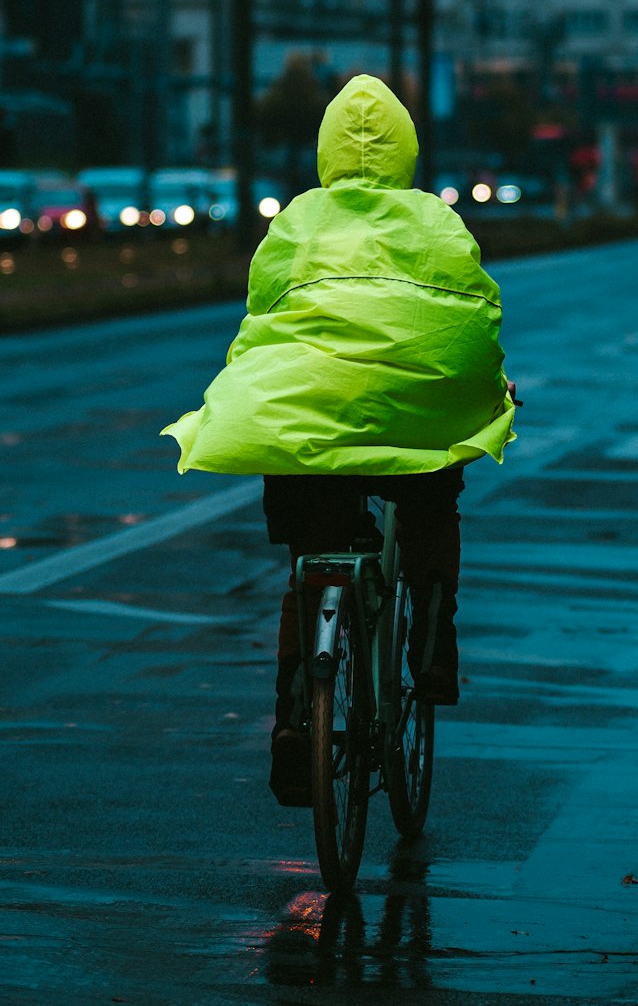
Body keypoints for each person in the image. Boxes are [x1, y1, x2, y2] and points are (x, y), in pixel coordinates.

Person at [161, 75, 516, 805]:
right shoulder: (436, 221)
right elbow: (475, 317)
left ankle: (296, 711)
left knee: (310, 555)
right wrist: (492, 391)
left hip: (310, 415)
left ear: (325, 151)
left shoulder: (295, 221)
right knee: (433, 488)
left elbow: (261, 320)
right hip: (412, 411)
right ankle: (433, 632)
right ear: (407, 151)